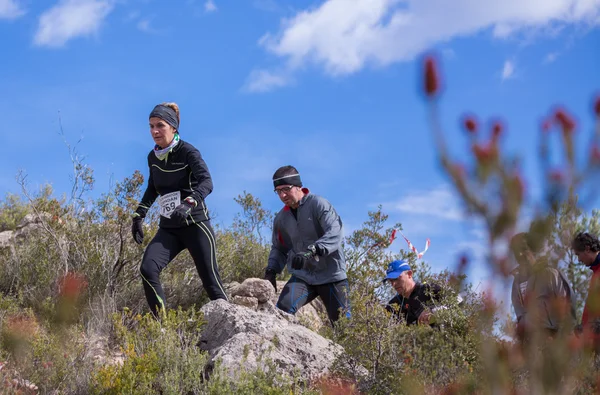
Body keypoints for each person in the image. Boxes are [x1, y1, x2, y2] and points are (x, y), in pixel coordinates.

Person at [131, 102, 227, 317]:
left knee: (212, 285)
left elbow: (207, 182)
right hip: (169, 228)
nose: (155, 131)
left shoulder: (188, 151)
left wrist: (189, 202)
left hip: (195, 225)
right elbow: (152, 188)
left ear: (173, 128)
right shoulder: (152, 157)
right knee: (148, 270)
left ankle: (232, 327)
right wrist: (139, 215)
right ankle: (162, 328)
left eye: (160, 125)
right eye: (151, 126)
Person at [263, 165, 350, 324]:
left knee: (344, 327)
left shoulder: (318, 204)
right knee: (283, 309)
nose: (282, 195)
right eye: (278, 191)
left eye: (286, 189)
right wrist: (271, 271)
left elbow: (335, 232)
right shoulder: (281, 219)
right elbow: (279, 248)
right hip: (304, 276)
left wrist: (312, 250)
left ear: (298, 186)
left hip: (332, 275)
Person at [510, 232, 576, 341]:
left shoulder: (551, 274)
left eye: (523, 249)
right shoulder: (517, 282)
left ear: (533, 249)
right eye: (516, 251)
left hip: (554, 338)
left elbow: (567, 306)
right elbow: (519, 314)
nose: (520, 254)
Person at [384, 260, 445, 325]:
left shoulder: (429, 290)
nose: (393, 284)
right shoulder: (392, 305)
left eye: (396, 278)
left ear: (409, 274)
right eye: (390, 281)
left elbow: (455, 302)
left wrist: (433, 311)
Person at [571, 232, 600, 339]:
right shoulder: (595, 273)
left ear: (587, 249)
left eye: (578, 254)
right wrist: (584, 326)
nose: (578, 260)